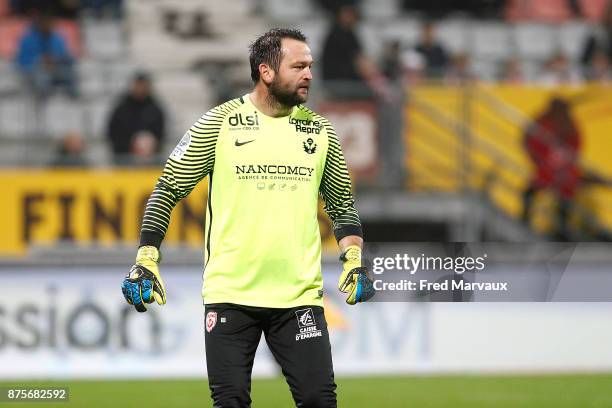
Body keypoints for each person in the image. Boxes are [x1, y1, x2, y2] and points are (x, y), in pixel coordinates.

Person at [120, 28, 375, 407]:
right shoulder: (219, 123)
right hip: (230, 295)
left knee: (320, 401)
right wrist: (146, 258)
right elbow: (167, 188)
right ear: (266, 71)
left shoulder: (321, 132)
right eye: (299, 66)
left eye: (310, 66)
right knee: (231, 401)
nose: (309, 74)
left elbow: (342, 207)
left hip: (298, 297)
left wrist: (353, 260)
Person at [522, 98, 581, 240]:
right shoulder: (543, 122)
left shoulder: (568, 125)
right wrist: (542, 160)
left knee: (563, 200)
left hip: (561, 172)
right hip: (547, 170)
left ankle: (561, 231)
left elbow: (575, 148)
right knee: (531, 193)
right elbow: (529, 142)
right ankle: (525, 222)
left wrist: (563, 160)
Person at [321, 4, 389, 100]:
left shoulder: (350, 33)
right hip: (340, 81)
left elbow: (359, 57)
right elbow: (358, 61)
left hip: (346, 79)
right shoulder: (336, 34)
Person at [15, 11, 78, 98]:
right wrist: (40, 60)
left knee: (68, 67)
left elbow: (63, 55)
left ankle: (72, 96)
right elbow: (22, 60)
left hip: (55, 69)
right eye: (45, 22)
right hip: (35, 71)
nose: (48, 25)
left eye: (50, 22)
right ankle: (42, 99)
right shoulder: (27, 39)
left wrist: (55, 59)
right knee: (41, 75)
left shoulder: (57, 38)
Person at [107, 72, 165, 165]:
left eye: (143, 85)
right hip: (125, 160)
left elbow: (160, 134)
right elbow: (113, 133)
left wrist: (149, 144)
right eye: (139, 85)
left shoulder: (155, 109)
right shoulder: (121, 109)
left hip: (151, 160)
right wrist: (131, 144)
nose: (141, 88)